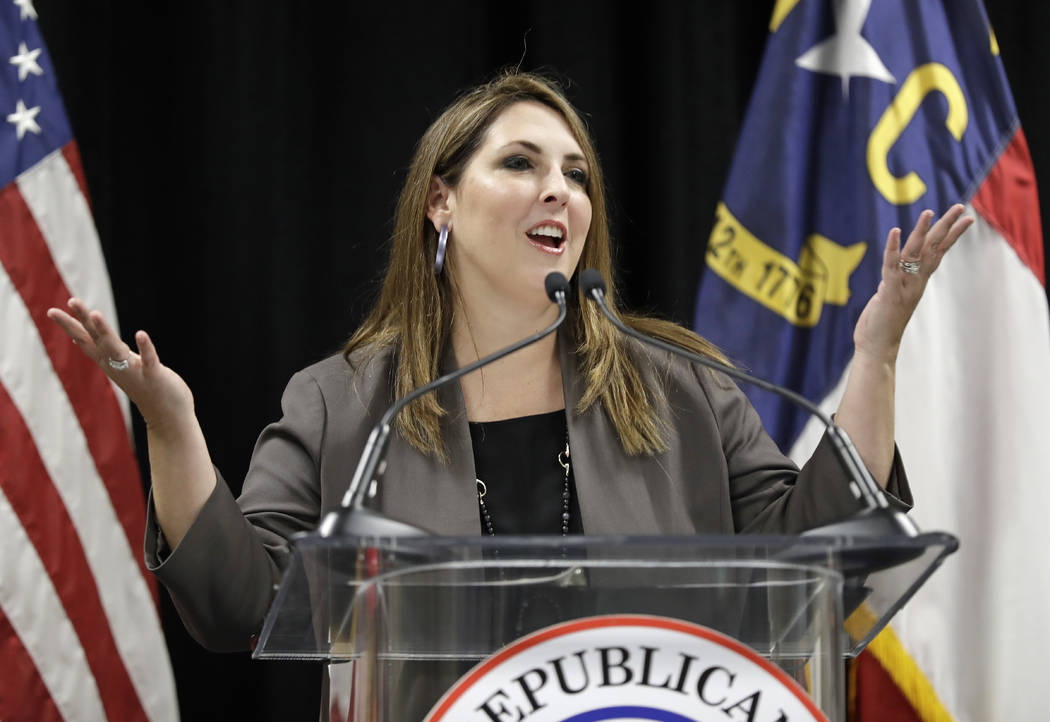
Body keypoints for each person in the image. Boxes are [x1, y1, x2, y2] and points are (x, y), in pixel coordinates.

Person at [47, 72, 971, 656]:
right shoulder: (338, 401)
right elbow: (237, 601)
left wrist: (876, 355)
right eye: (522, 163)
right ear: (440, 202)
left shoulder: (681, 387)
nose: (558, 190)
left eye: (575, 173)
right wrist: (170, 427)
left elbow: (810, 553)